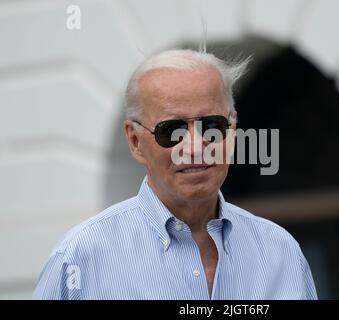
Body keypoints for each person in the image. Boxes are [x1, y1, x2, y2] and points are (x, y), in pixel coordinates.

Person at [33, 49, 317, 300]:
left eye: (212, 125)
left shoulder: (282, 253)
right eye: (171, 131)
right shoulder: (80, 259)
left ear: (232, 128)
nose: (195, 146)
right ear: (135, 141)